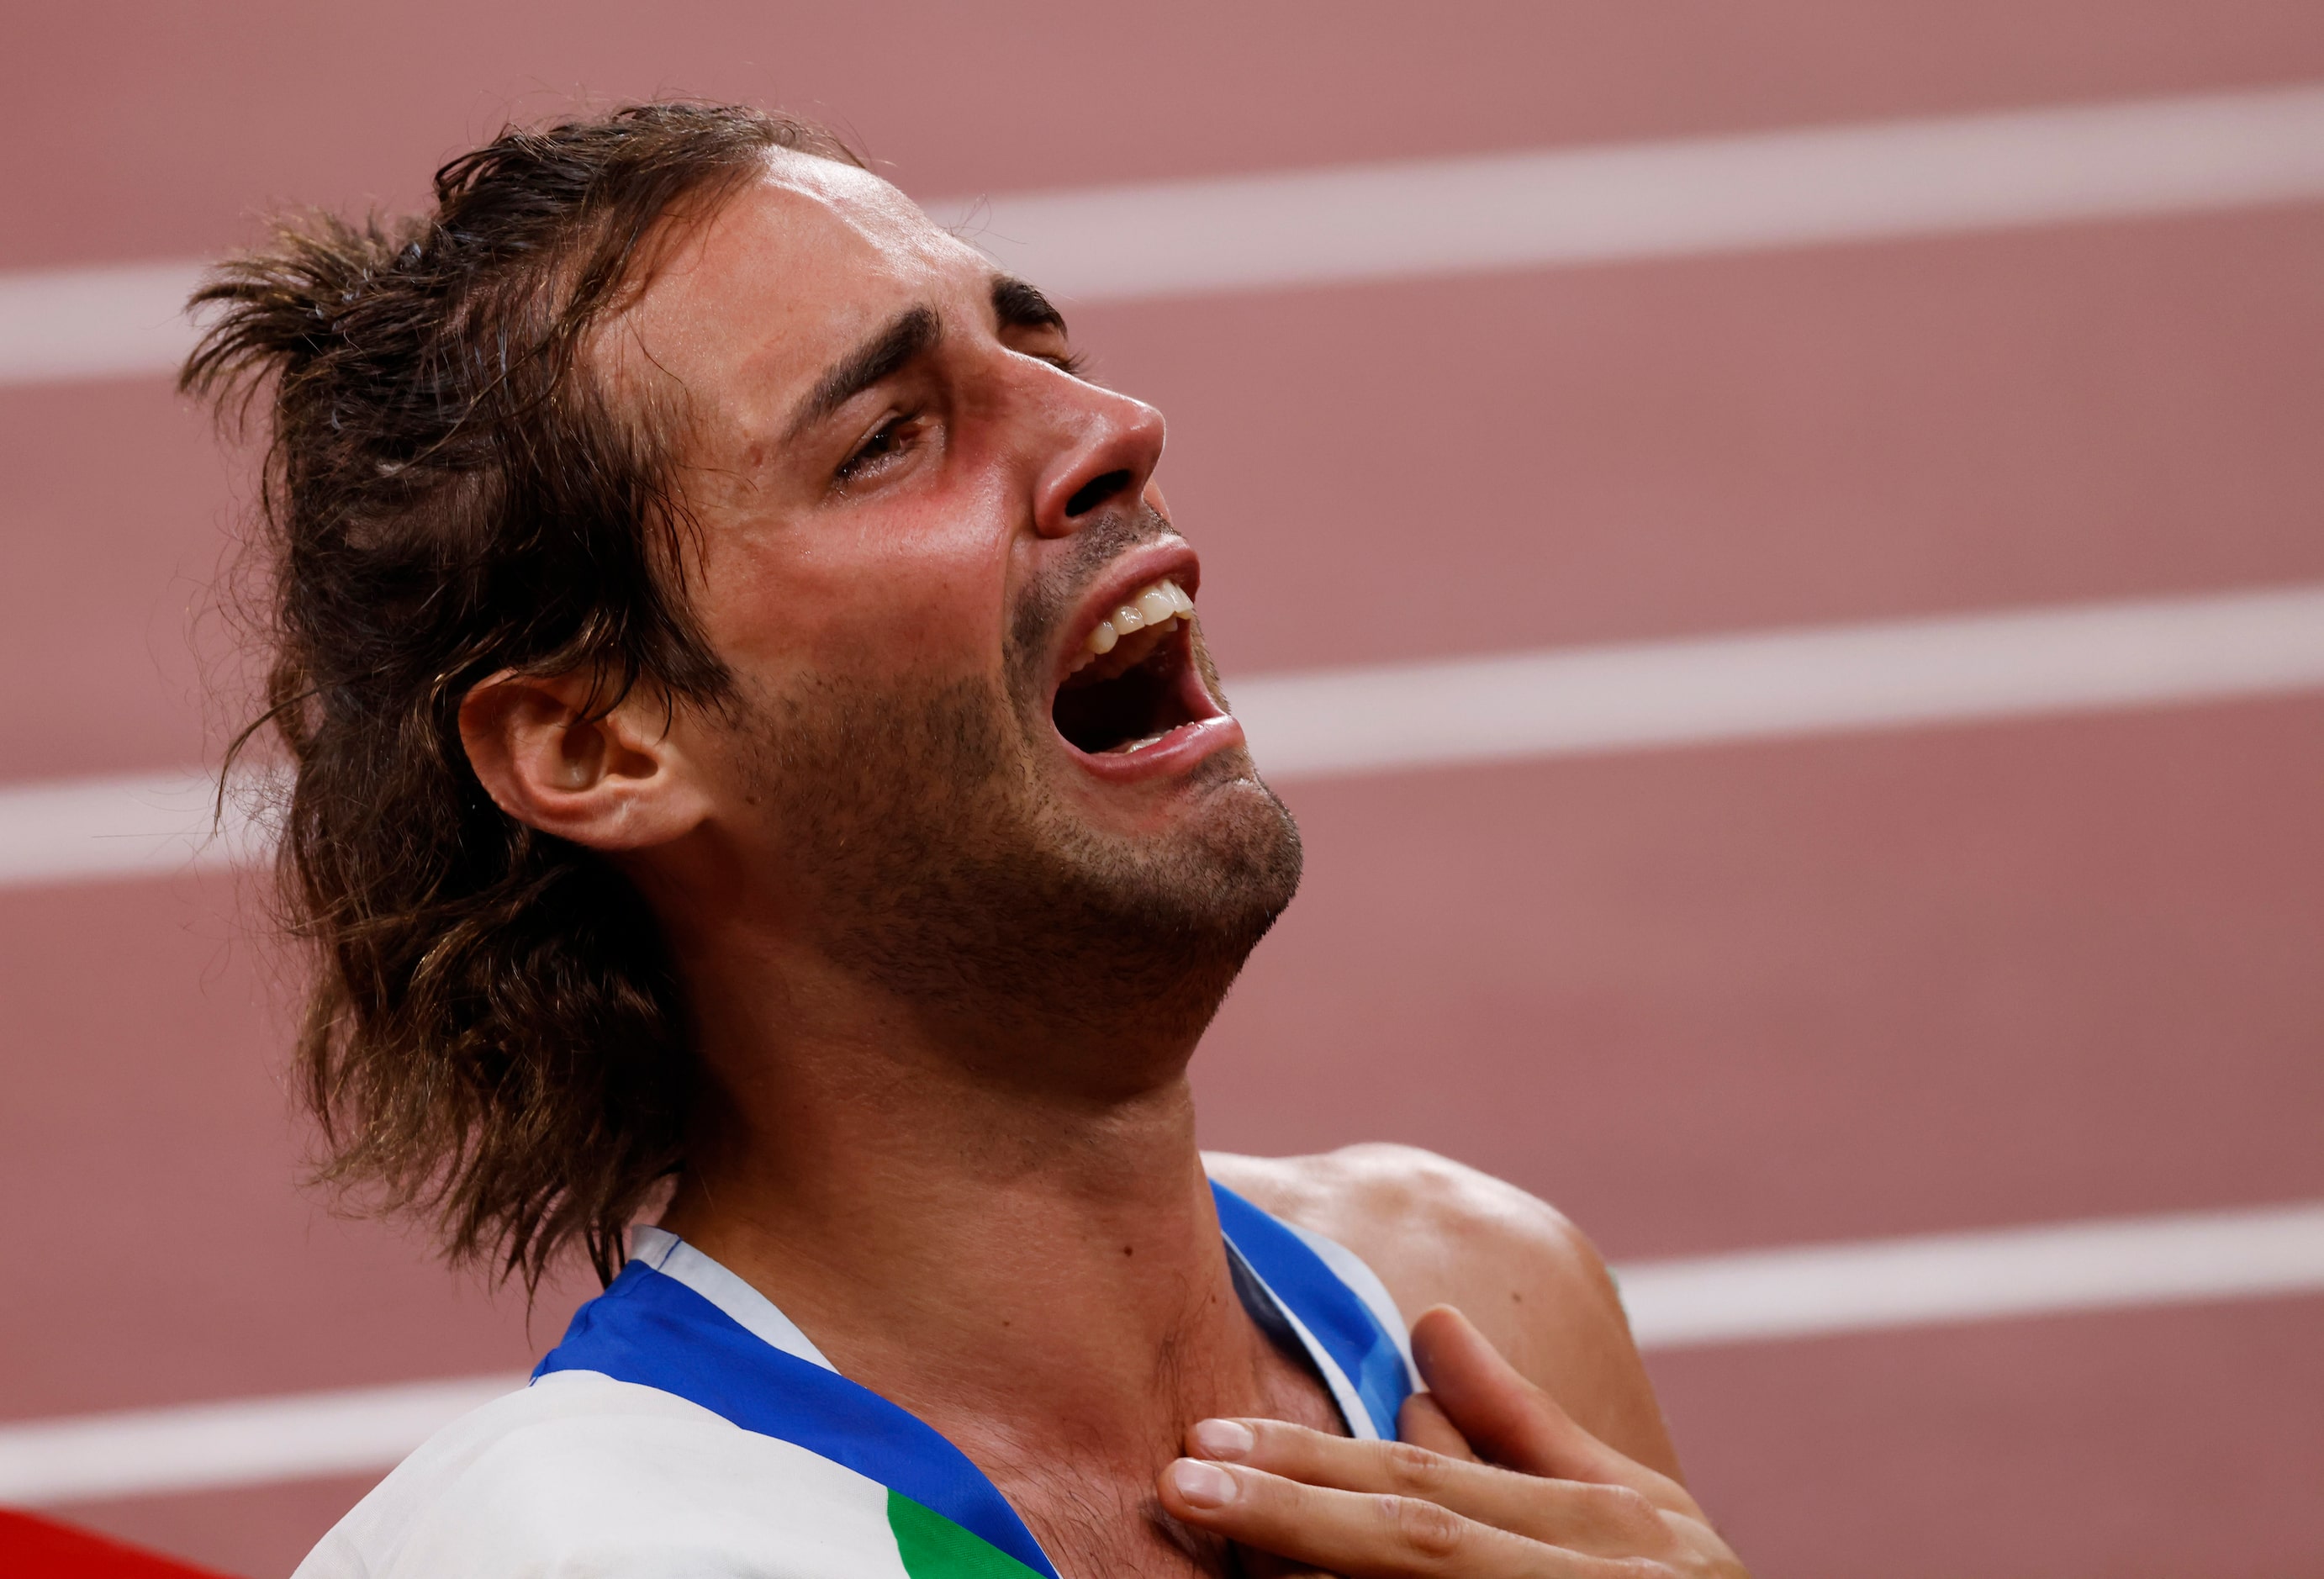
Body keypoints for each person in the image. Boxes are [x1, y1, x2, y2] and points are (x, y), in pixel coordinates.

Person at [185, 102, 1748, 1579]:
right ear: (598, 744)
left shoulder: (1476, 1304)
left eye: (1041, 347)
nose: (1117, 428)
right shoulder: (574, 1547)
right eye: (887, 437)